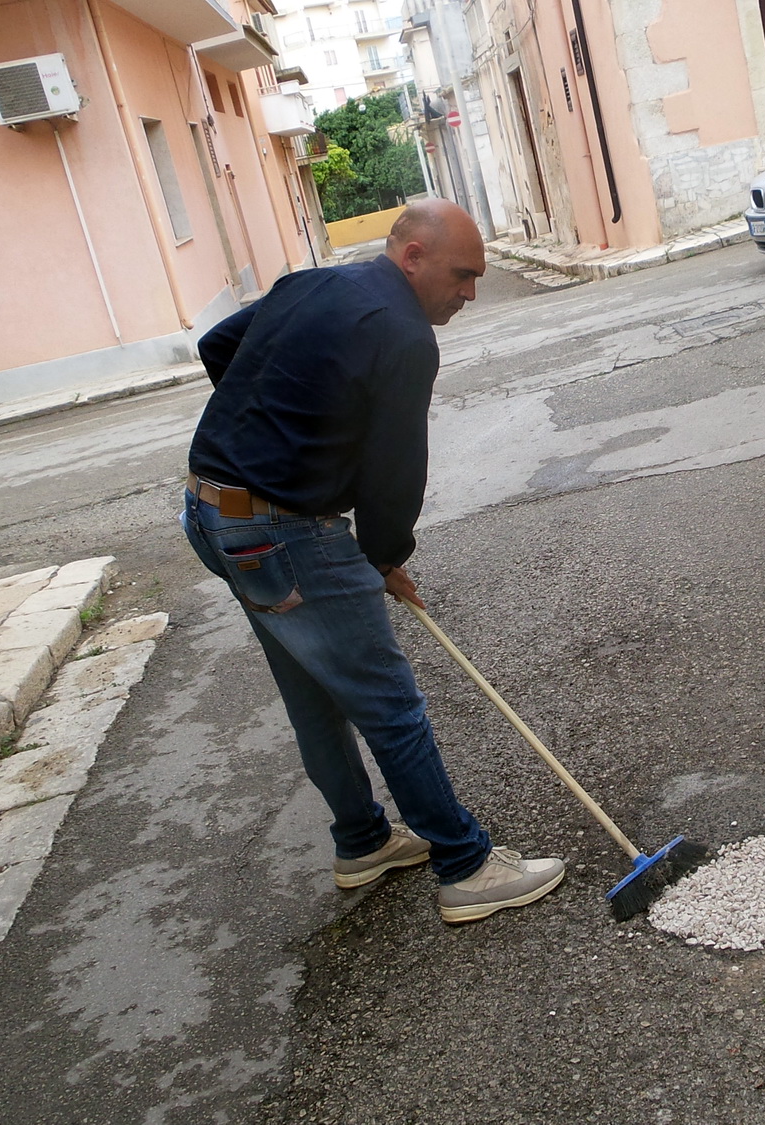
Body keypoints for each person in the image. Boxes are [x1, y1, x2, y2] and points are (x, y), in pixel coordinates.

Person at [183, 200, 565, 924]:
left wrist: (275, 435)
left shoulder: (309, 285)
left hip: (212, 514)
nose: (470, 293)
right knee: (391, 704)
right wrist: (382, 556)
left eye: (478, 277)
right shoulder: (405, 335)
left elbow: (219, 349)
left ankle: (361, 841)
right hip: (280, 533)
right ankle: (465, 864)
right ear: (412, 256)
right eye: (462, 275)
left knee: (315, 695)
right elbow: (394, 473)